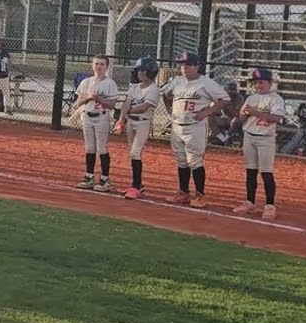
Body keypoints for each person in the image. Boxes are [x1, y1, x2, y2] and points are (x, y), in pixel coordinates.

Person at [160, 52, 230, 208]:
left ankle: (200, 195)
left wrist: (207, 112)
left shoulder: (206, 83)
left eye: (188, 65)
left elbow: (225, 99)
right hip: (177, 125)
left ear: (197, 66)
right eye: (182, 65)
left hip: (195, 127)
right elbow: (165, 94)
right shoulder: (177, 81)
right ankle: (183, 193)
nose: (184, 68)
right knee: (181, 160)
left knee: (194, 161)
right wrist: (169, 108)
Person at [234, 67, 286, 220]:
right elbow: (242, 119)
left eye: (261, 82)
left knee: (266, 172)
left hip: (265, 138)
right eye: (256, 83)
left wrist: (255, 112)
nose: (258, 85)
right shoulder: (251, 98)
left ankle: (270, 205)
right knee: (251, 172)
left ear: (270, 83)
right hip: (249, 136)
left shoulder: (276, 99)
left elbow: (276, 118)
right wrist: (243, 114)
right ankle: (250, 202)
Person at [113, 57, 160, 199]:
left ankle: (136, 186)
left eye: (140, 70)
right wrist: (121, 120)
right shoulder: (134, 87)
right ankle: (136, 184)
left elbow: (143, 107)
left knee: (135, 152)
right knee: (133, 154)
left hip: (143, 123)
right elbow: (127, 103)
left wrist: (128, 111)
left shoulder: (153, 89)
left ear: (146, 72)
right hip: (131, 123)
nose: (137, 73)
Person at [71, 55, 119, 192]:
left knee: (102, 148)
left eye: (102, 64)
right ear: (92, 65)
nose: (99, 67)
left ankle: (104, 179)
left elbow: (111, 105)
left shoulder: (110, 83)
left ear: (107, 67)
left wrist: (98, 98)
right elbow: (78, 103)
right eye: (96, 64)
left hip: (101, 117)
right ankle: (89, 176)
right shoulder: (86, 82)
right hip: (87, 115)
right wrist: (88, 98)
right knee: (90, 148)